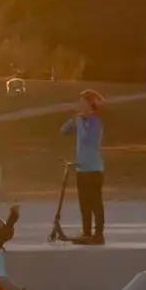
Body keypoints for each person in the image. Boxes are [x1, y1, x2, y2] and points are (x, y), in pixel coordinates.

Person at [59, 89, 107, 244]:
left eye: (82, 103)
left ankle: (98, 234)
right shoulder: (79, 120)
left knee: (95, 203)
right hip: (81, 169)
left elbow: (88, 140)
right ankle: (86, 233)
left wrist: (82, 122)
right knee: (84, 204)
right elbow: (63, 131)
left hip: (94, 169)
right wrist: (73, 120)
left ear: (90, 105)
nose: (79, 106)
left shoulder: (95, 122)